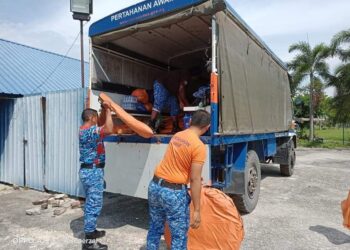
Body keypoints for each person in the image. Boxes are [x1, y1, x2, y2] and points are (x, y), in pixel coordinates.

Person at [147, 110, 211, 250]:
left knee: (155, 228)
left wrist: (190, 176)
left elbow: (177, 162)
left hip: (155, 186)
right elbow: (195, 180)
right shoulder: (198, 146)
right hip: (173, 193)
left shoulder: (178, 135)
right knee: (179, 236)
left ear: (190, 121)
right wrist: (197, 210)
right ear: (207, 127)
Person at [79, 102, 113, 250]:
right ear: (92, 118)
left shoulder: (85, 130)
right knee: (94, 206)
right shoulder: (89, 131)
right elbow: (109, 129)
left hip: (91, 171)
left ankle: (91, 231)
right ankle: (89, 243)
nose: (98, 119)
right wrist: (109, 111)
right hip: (92, 172)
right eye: (97, 117)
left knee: (90, 204)